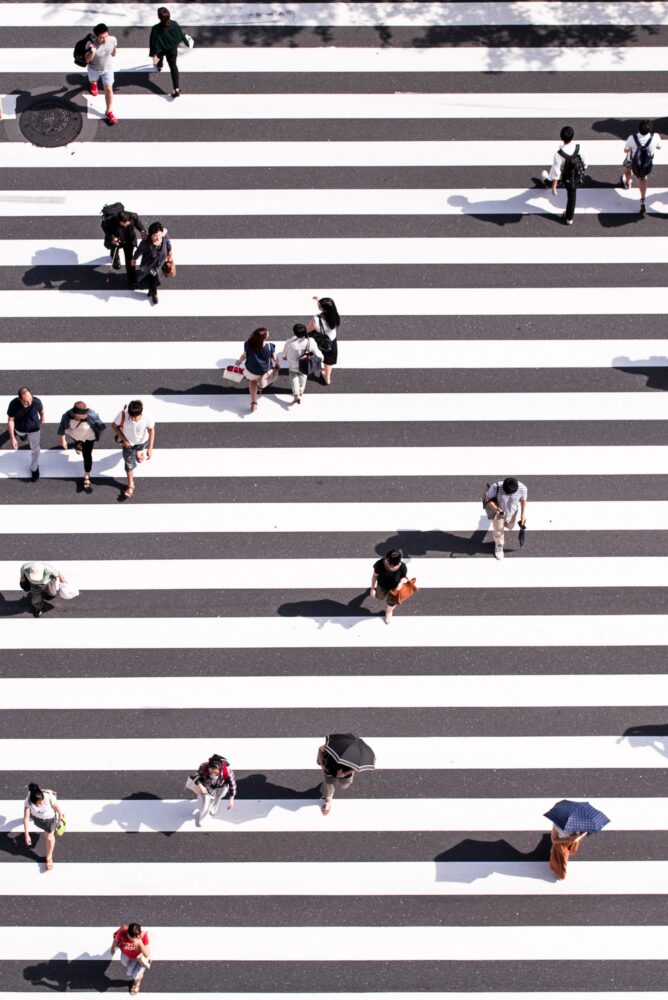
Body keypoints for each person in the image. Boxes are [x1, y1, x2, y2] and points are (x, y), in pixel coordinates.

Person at [540, 125, 586, 225]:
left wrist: (554, 187)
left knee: (554, 178)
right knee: (572, 196)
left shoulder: (559, 154)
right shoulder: (579, 147)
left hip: (565, 177)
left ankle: (547, 182)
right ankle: (569, 218)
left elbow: (557, 172)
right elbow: (585, 162)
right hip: (576, 177)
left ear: (561, 137)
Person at [58, 400, 105, 494]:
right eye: (80, 416)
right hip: (75, 435)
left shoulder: (91, 415)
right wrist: (63, 439)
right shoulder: (67, 416)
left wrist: (98, 433)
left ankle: (87, 474)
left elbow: (101, 426)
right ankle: (78, 444)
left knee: (87, 455)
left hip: (88, 437)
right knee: (77, 440)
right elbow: (62, 426)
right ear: (74, 414)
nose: (84, 417)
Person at [112, 400, 156, 501]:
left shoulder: (147, 417)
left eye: (135, 417)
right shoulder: (123, 415)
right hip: (128, 444)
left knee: (139, 458)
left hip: (142, 441)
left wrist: (150, 448)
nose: (132, 419)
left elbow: (151, 430)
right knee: (129, 464)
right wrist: (124, 439)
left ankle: (139, 453)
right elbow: (114, 426)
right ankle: (131, 485)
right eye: (131, 416)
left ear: (141, 413)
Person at [621, 119, 662, 216]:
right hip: (646, 163)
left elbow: (625, 150)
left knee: (627, 170)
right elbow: (659, 147)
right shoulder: (655, 137)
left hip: (632, 161)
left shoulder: (632, 138)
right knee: (642, 179)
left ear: (639, 128)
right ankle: (642, 200)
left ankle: (628, 182)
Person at [483, 477, 528, 560]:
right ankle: (499, 546)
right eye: (506, 493)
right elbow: (487, 498)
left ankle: (504, 526)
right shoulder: (495, 487)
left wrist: (523, 514)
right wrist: (495, 508)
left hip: (512, 512)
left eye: (511, 494)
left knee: (510, 526)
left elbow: (523, 500)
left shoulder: (523, 488)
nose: (509, 495)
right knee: (499, 530)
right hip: (498, 514)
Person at [23, 782, 65, 870]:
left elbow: (55, 806)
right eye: (37, 804)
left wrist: (61, 814)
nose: (40, 805)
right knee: (46, 834)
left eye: (41, 802)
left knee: (49, 837)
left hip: (50, 820)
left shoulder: (49, 797)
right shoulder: (29, 799)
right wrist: (26, 834)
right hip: (37, 819)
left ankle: (49, 857)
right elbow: (26, 818)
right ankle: (48, 790)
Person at [236, 327, 279, 413]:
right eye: (267, 333)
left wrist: (239, 361)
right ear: (264, 338)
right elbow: (275, 358)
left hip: (251, 370)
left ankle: (254, 402)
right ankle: (260, 386)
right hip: (264, 371)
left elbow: (244, 355)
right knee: (265, 379)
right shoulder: (270, 347)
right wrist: (277, 365)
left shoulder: (248, 344)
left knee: (252, 382)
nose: (268, 333)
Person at [149, 6, 189, 98]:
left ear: (159, 17)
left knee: (160, 59)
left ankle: (159, 65)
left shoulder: (155, 28)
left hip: (161, 49)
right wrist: (186, 41)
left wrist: (153, 54)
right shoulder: (174, 24)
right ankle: (176, 88)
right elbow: (180, 35)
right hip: (172, 49)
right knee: (173, 67)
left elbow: (152, 42)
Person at [7, 386, 44, 482]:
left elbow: (41, 410)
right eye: (26, 401)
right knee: (22, 437)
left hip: (34, 428)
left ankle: (34, 468)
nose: (29, 403)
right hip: (20, 428)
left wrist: (42, 418)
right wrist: (12, 438)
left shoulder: (36, 401)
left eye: (30, 399)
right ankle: (21, 436)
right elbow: (11, 420)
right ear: (20, 399)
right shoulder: (14, 404)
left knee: (36, 449)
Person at [131, 221, 173, 305]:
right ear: (150, 235)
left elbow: (168, 244)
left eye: (159, 235)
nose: (157, 238)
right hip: (148, 264)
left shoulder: (164, 237)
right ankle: (154, 293)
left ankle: (151, 291)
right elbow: (139, 251)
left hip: (159, 263)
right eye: (155, 236)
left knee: (153, 277)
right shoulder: (146, 243)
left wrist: (170, 253)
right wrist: (134, 259)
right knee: (153, 277)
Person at [84, 22, 118, 125]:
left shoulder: (112, 40)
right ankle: (94, 84)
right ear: (96, 37)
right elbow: (87, 60)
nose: (105, 39)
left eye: (106, 36)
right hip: (94, 69)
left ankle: (109, 111)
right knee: (93, 80)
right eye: (101, 38)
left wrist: (114, 52)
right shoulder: (90, 44)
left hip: (107, 68)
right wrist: (92, 52)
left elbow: (114, 51)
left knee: (109, 89)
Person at [101, 209, 147, 284]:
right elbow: (105, 228)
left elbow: (139, 225)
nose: (126, 225)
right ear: (119, 220)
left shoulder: (133, 216)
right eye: (123, 223)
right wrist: (112, 238)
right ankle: (115, 258)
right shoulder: (111, 220)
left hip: (129, 241)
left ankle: (132, 279)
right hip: (117, 239)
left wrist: (142, 231)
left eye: (127, 222)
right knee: (114, 251)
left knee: (129, 259)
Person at [191, 753, 237, 826]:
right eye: (211, 771)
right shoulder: (203, 766)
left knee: (217, 797)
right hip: (207, 785)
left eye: (216, 772)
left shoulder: (227, 771)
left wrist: (231, 799)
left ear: (220, 769)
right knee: (204, 802)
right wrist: (201, 786)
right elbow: (196, 777)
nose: (213, 774)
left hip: (221, 787)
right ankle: (202, 817)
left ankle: (215, 805)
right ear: (209, 767)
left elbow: (232, 784)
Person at [282, 323, 321, 404]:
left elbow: (285, 353)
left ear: (294, 332)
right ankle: (301, 390)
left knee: (293, 376)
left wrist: (284, 356)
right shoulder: (310, 341)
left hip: (293, 364)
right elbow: (317, 353)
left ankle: (296, 394)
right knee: (303, 375)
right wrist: (321, 358)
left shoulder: (289, 342)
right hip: (305, 364)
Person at [306, 296, 340, 385]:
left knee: (314, 354)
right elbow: (328, 308)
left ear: (323, 309)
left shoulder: (316, 319)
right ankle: (327, 378)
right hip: (331, 341)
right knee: (329, 360)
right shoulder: (335, 316)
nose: (318, 305)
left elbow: (308, 330)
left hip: (318, 341)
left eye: (319, 305)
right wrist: (320, 301)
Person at [110, 923, 151, 995]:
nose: (132, 939)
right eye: (130, 937)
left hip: (139, 959)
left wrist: (140, 944)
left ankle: (136, 984)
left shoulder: (143, 936)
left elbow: (147, 954)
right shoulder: (122, 932)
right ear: (127, 932)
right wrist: (112, 948)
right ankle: (137, 977)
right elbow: (116, 940)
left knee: (136, 975)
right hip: (126, 955)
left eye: (135, 937)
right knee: (128, 970)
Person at [370, 548, 408, 625]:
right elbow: (374, 576)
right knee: (379, 597)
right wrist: (372, 588)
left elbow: (404, 577)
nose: (387, 564)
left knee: (392, 602)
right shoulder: (380, 564)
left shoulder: (402, 567)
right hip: (382, 585)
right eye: (386, 562)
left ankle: (389, 612)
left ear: (397, 563)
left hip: (394, 588)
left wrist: (401, 583)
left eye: (390, 564)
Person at [317, 743, 354, 816]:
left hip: (345, 772)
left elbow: (355, 767)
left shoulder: (353, 755)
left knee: (344, 785)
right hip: (330, 770)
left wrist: (345, 773)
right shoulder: (332, 746)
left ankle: (349, 777)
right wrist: (322, 765)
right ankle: (327, 801)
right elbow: (320, 749)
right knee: (329, 785)